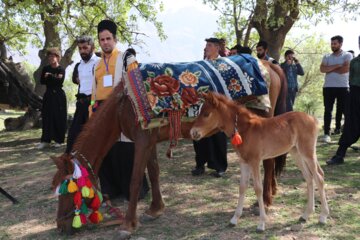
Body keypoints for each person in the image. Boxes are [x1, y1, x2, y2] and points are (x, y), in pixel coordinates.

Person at [92, 19, 149, 218]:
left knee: (126, 150)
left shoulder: (126, 58)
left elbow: (136, 84)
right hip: (102, 115)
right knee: (107, 151)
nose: (105, 42)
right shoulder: (97, 65)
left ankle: (134, 191)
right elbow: (94, 91)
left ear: (115, 39)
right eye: (102, 39)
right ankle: (111, 189)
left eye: (108, 38)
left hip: (122, 113)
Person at [191, 37, 228, 178]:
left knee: (218, 135)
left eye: (210, 45)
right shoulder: (202, 64)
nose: (206, 47)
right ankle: (200, 165)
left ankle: (220, 166)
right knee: (199, 134)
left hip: (217, 106)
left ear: (217, 48)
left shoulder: (223, 64)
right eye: (206, 45)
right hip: (201, 105)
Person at [327, 36, 360, 165]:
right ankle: (340, 155)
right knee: (350, 125)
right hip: (354, 95)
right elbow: (351, 80)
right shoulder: (355, 61)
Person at [65, 36, 100, 154]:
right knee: (73, 136)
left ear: (93, 48)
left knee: (93, 137)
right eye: (80, 48)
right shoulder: (79, 65)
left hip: (94, 104)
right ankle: (70, 164)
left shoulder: (99, 62)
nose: (82, 51)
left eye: (85, 47)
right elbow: (76, 80)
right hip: (80, 104)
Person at [320, 35, 353, 143]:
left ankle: (347, 133)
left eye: (335, 44)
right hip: (328, 87)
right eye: (332, 44)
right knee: (327, 111)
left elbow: (345, 69)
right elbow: (322, 69)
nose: (333, 46)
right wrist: (338, 65)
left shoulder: (347, 55)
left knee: (345, 111)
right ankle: (326, 133)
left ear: (340, 44)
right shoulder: (327, 56)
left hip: (343, 87)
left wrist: (330, 69)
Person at [37, 48, 67, 149]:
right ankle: (45, 140)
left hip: (59, 95)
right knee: (47, 116)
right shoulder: (45, 68)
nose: (50, 58)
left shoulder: (61, 69)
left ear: (57, 57)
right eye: (49, 56)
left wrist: (49, 76)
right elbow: (42, 81)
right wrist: (53, 77)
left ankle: (58, 140)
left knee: (58, 116)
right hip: (48, 94)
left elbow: (59, 82)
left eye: (53, 56)